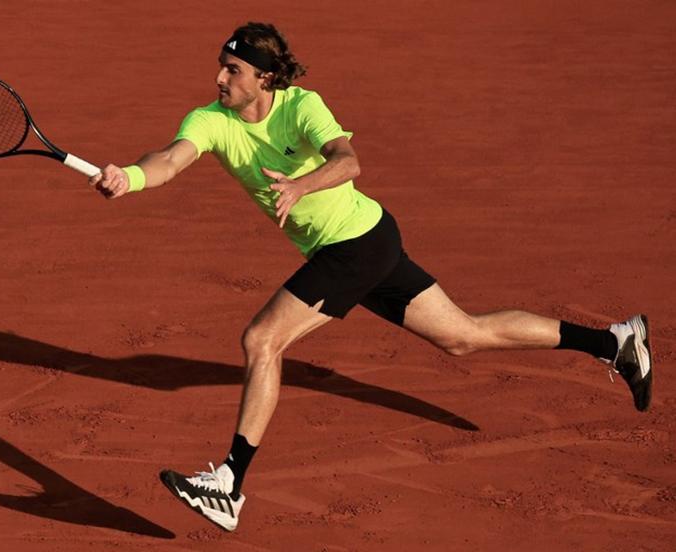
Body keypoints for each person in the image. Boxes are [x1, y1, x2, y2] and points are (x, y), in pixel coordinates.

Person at [89, 22, 653, 532]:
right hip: (362, 245)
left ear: (264, 78)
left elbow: (348, 161)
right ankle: (614, 342)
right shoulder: (210, 121)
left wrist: (300, 185)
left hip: (356, 245)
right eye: (221, 66)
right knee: (463, 336)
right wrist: (130, 177)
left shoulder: (302, 106)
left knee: (262, 340)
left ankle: (229, 485)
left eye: (232, 70)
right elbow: (170, 159)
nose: (219, 78)